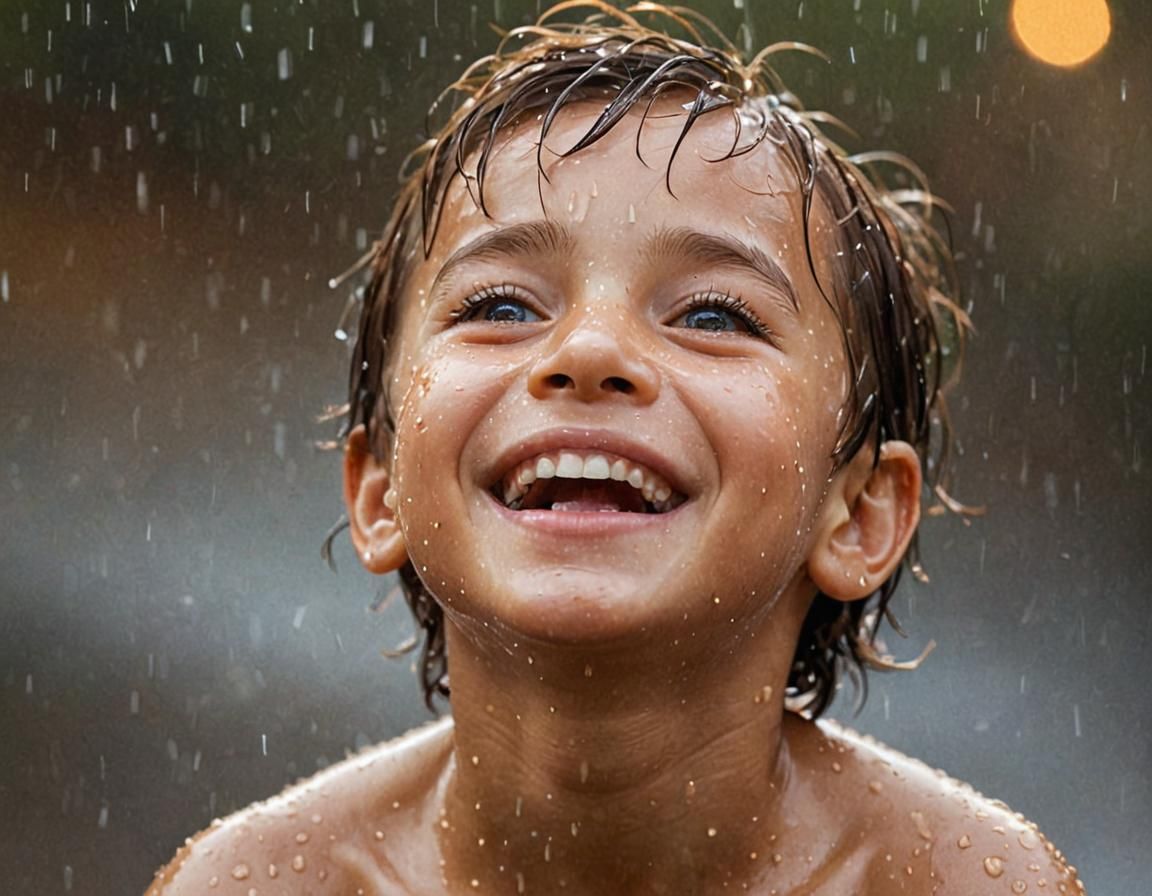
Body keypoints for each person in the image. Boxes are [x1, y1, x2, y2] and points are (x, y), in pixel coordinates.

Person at [147, 3, 1084, 893]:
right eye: (500, 306)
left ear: (858, 513)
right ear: (380, 490)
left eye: (713, 314)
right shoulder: (258, 883)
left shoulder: (954, 881)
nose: (590, 352)